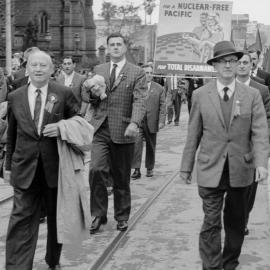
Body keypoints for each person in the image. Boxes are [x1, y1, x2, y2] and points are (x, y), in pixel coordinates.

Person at [180, 41, 269, 270]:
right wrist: (186, 167)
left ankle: (229, 263)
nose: (229, 65)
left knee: (236, 221)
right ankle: (211, 266)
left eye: (233, 60)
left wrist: (261, 163)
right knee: (211, 221)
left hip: (241, 169)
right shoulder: (200, 95)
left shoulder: (252, 95)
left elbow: (259, 131)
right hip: (210, 167)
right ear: (214, 66)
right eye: (223, 61)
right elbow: (194, 134)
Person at [5, 50, 80, 270]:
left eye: (43, 66)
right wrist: (8, 165)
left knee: (56, 221)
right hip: (24, 168)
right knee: (20, 222)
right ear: (27, 68)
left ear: (52, 69)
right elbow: (11, 134)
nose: (38, 69)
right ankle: (17, 266)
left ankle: (53, 260)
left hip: (55, 169)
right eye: (34, 65)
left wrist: (61, 127)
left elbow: (80, 122)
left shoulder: (63, 93)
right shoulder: (15, 96)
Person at [88, 32, 147, 234]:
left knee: (122, 177)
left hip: (123, 131)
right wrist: (92, 93)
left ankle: (122, 216)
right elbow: (90, 99)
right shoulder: (99, 69)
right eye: (111, 44)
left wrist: (135, 123)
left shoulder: (136, 72)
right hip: (101, 129)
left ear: (125, 48)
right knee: (96, 170)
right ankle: (98, 214)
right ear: (107, 48)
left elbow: (140, 100)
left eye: (118, 44)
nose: (114, 47)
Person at [236, 51, 270, 235]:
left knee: (249, 189)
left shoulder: (262, 90)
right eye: (239, 62)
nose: (242, 65)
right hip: (229, 150)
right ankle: (233, 218)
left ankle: (243, 219)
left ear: (251, 66)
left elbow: (268, 119)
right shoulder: (224, 87)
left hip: (252, 150)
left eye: (246, 62)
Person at [131, 64, 166, 179]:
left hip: (152, 121)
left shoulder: (159, 88)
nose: (149, 75)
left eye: (151, 73)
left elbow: (162, 106)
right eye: (146, 73)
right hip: (138, 121)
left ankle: (150, 168)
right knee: (136, 145)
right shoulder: (137, 86)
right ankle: (136, 169)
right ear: (142, 74)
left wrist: (161, 121)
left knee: (151, 146)